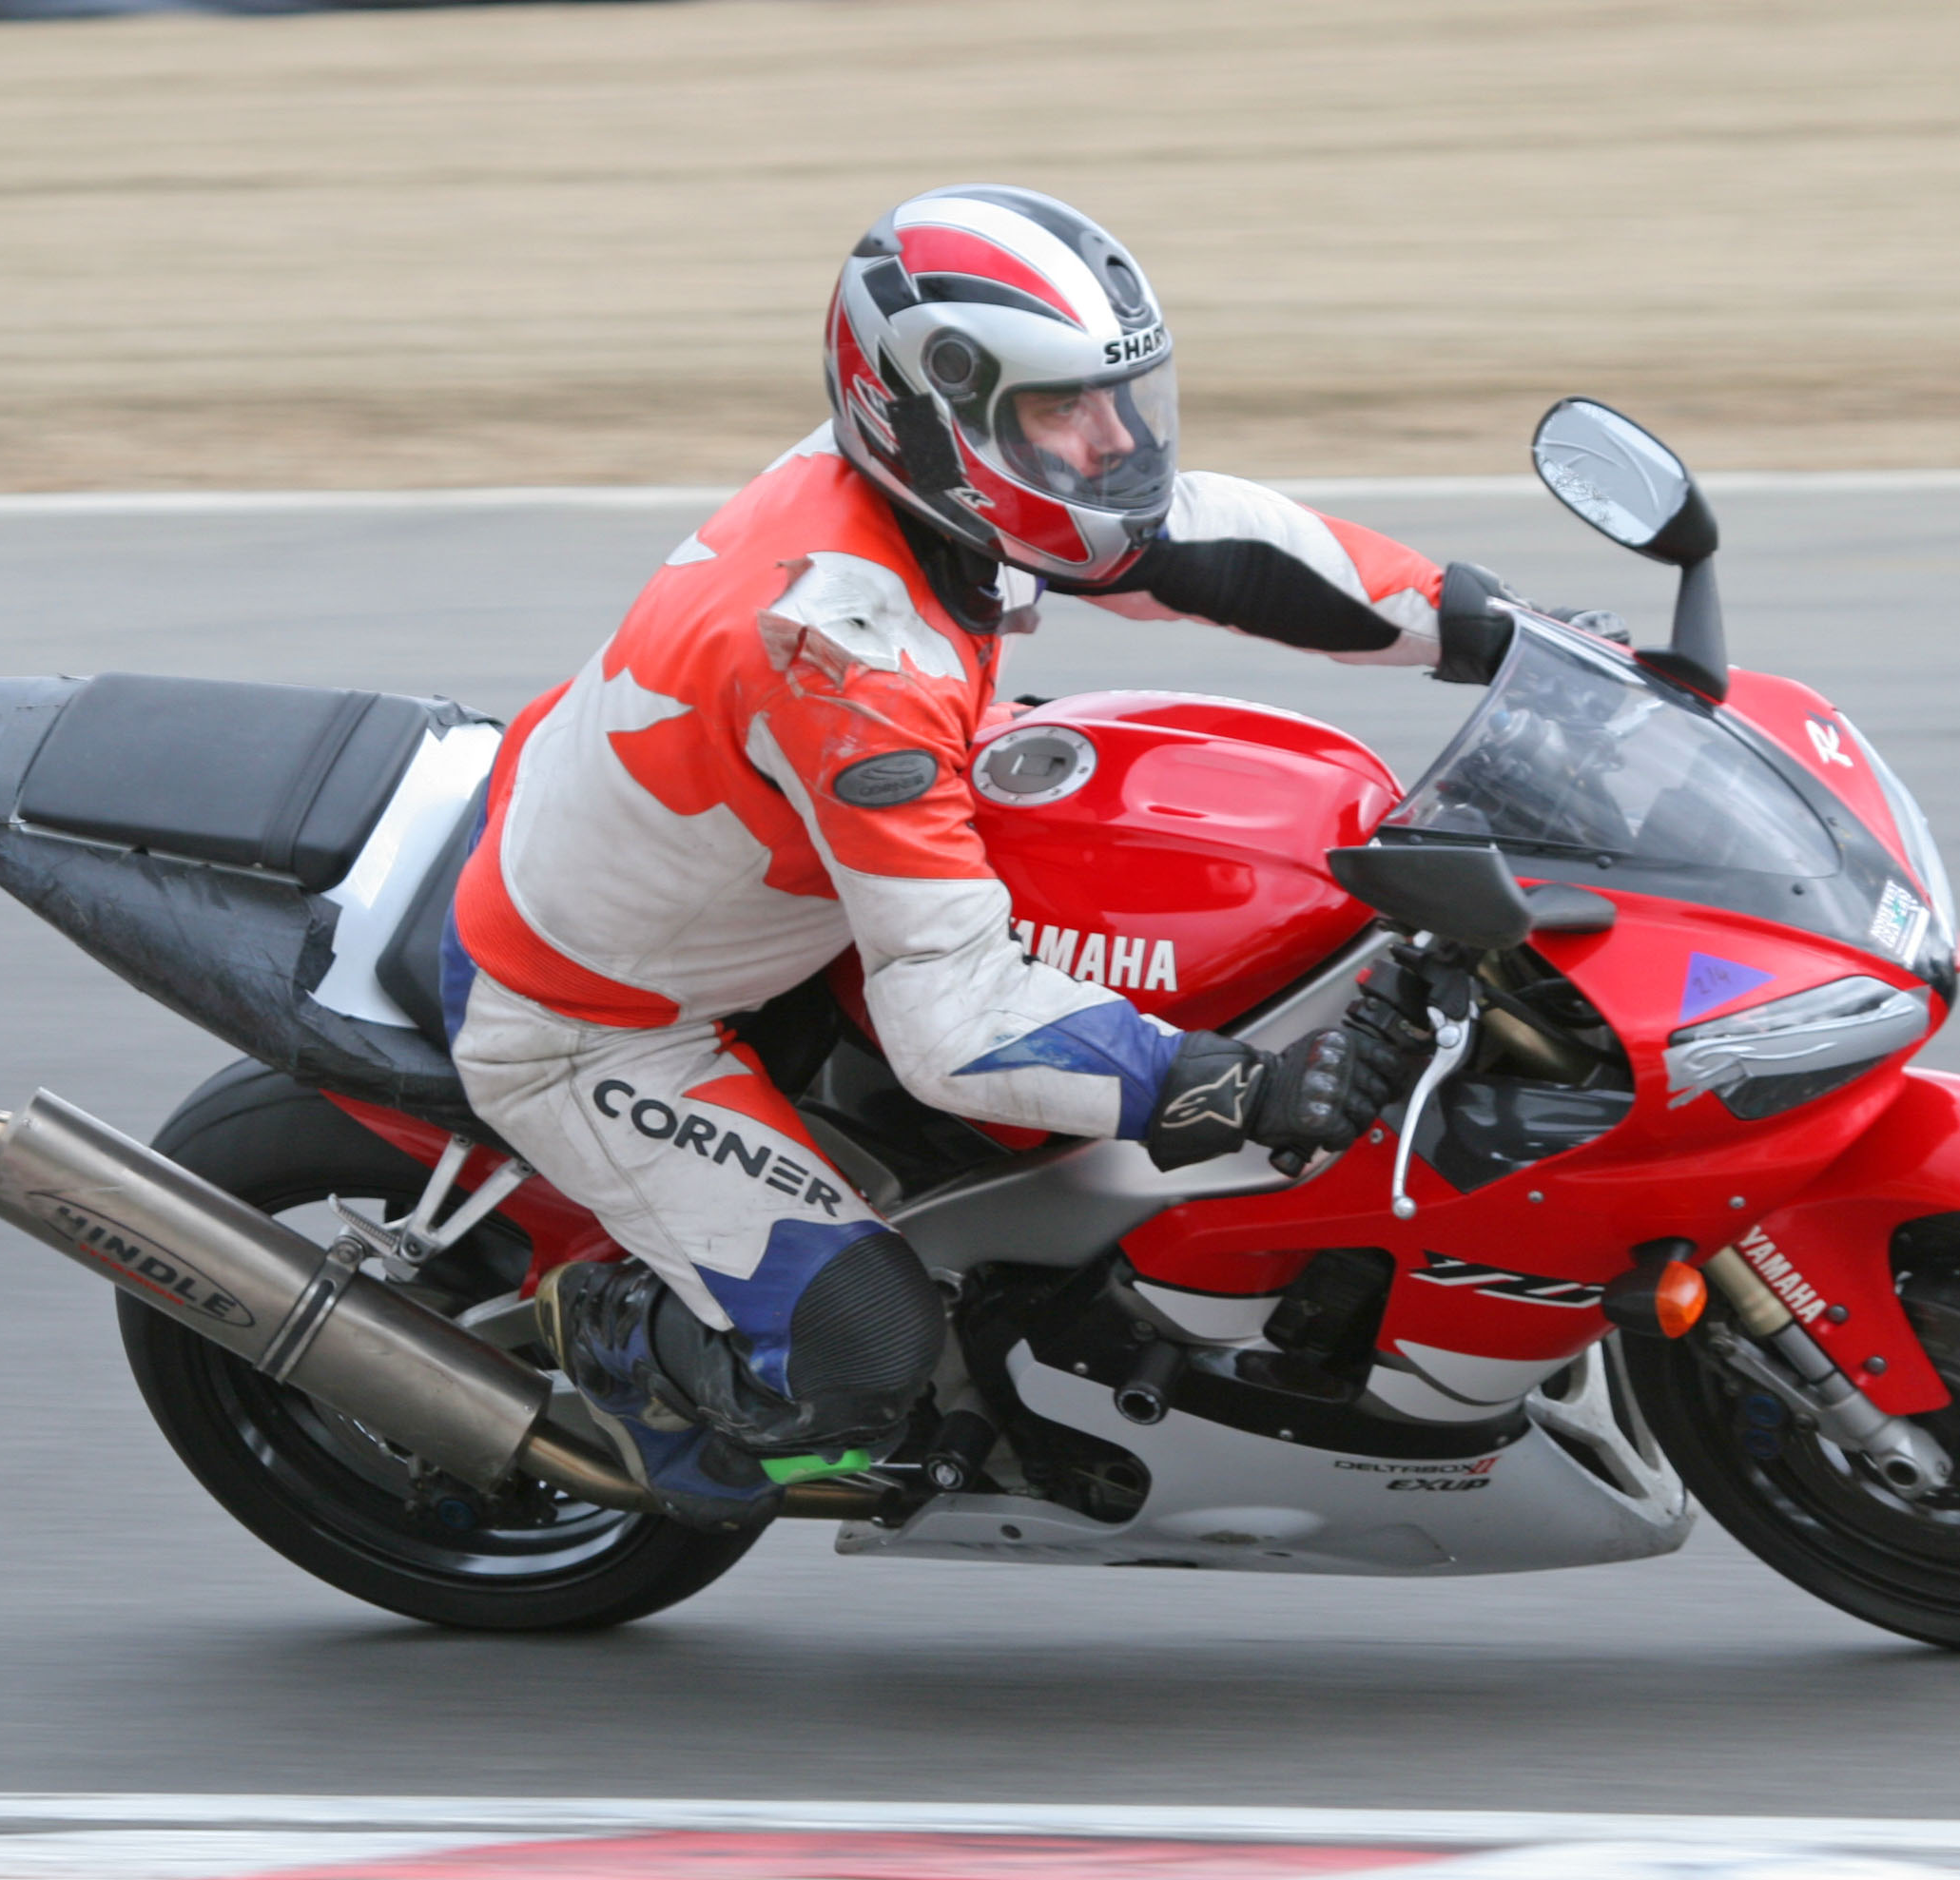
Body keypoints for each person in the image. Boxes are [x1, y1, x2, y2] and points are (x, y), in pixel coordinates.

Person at [442, 185, 1544, 1530]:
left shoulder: (934, 492)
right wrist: (1239, 1090)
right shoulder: (845, 653)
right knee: (867, 1372)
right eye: (1063, 410)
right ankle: (615, 1346)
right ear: (934, 415)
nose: (1115, 440)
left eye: (1123, 394)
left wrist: (1501, 637)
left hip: (739, 863)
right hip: (604, 1018)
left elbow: (1211, 547)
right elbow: (951, 1029)